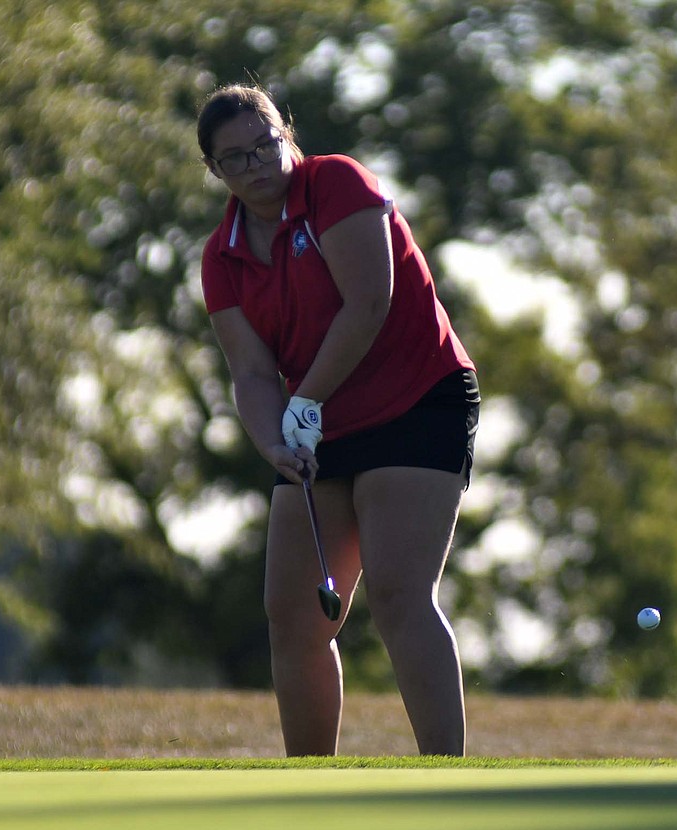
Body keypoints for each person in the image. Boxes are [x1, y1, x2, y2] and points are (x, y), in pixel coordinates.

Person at [197, 85, 479, 756]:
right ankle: (308, 786)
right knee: (292, 613)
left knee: (397, 590)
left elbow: (368, 304)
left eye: (265, 143)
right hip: (321, 422)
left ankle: (446, 779)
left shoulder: (337, 184)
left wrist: (306, 401)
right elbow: (252, 373)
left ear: (285, 132)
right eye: (235, 158)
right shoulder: (223, 256)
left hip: (417, 396)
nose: (257, 164)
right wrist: (273, 443)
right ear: (216, 172)